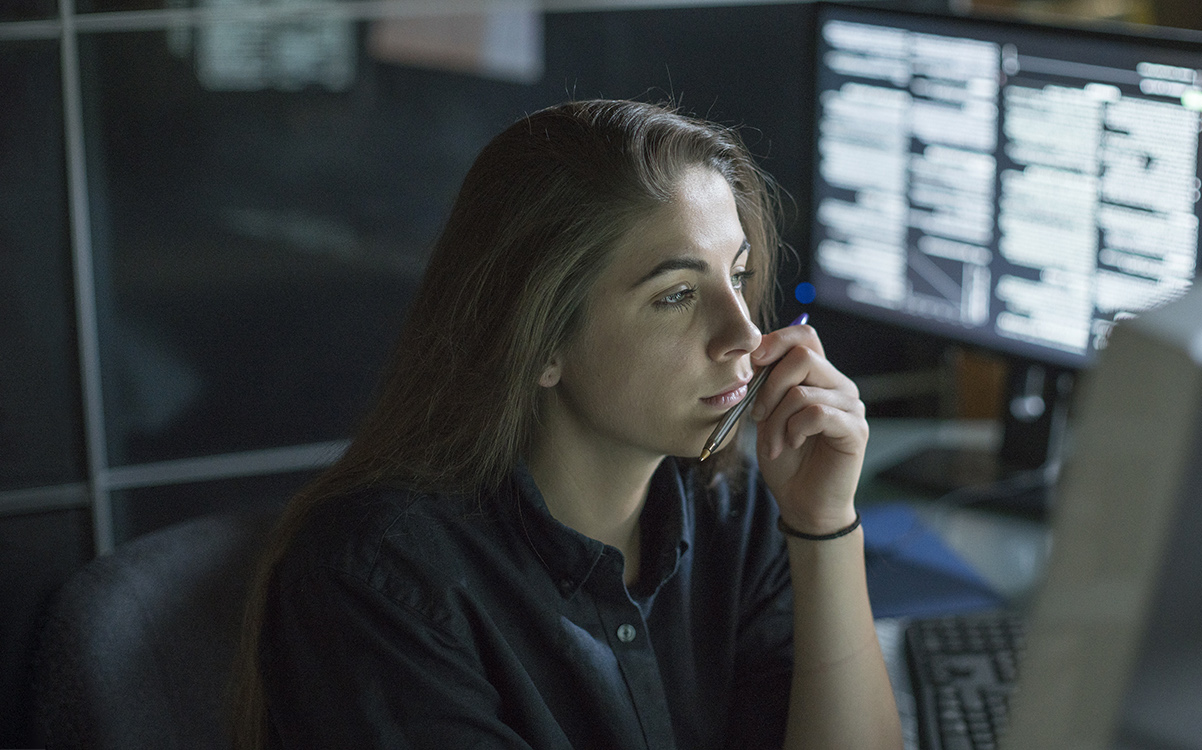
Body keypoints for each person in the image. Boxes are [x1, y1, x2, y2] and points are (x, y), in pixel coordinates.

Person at [231, 99, 901, 750]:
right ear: (541, 340)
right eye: (675, 296)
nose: (745, 333)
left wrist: (822, 525)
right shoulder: (378, 581)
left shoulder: (735, 509)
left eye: (740, 275)